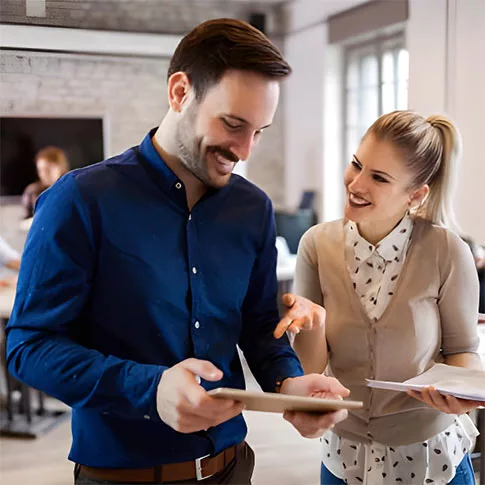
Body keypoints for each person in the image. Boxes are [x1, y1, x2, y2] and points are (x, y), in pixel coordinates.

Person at [6, 19, 350, 485]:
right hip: (119, 477)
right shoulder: (79, 201)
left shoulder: (253, 208)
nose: (245, 150)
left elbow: (257, 326)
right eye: (233, 124)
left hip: (233, 468)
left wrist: (288, 384)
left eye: (260, 131)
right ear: (179, 91)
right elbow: (29, 346)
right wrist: (151, 389)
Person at [274, 110, 483, 485]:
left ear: (415, 195)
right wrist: (313, 324)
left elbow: (463, 349)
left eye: (379, 177)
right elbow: (309, 370)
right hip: (346, 456)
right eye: (357, 164)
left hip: (429, 456)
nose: (356, 183)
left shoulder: (446, 250)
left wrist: (459, 390)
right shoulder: (316, 246)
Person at [22, 146, 70, 218]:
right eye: (40, 170)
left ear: (61, 167)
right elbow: (26, 219)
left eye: (48, 169)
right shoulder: (33, 192)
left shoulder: (71, 188)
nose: (44, 174)